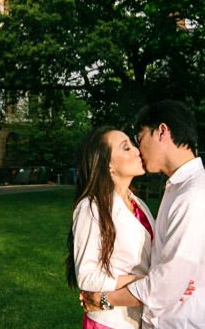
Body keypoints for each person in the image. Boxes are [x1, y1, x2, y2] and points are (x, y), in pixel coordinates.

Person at [82, 100, 205, 328]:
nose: (138, 150)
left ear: (162, 131)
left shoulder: (193, 197)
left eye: (140, 138)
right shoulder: (178, 188)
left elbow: (167, 284)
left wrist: (103, 299)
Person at [67, 125, 156, 329]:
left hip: (140, 320)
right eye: (126, 148)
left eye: (133, 144)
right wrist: (147, 282)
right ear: (108, 166)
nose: (137, 150)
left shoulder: (139, 204)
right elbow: (88, 277)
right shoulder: (92, 207)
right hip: (110, 322)